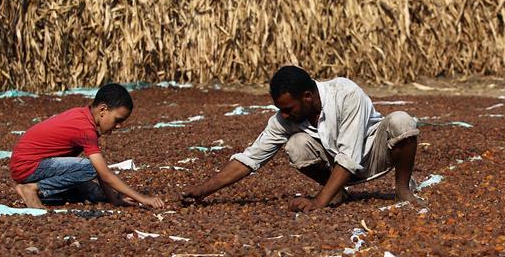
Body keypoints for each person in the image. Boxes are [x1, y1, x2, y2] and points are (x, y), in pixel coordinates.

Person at [181, 65, 422, 211]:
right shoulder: (284, 119)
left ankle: (402, 190)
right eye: (280, 109)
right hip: (337, 166)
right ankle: (336, 192)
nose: (284, 115)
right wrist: (204, 189)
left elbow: (349, 156)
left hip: (373, 155)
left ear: (307, 96)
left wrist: (318, 202)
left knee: (401, 121)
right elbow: (250, 159)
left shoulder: (346, 94)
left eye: (288, 108)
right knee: (296, 145)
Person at [10, 83, 164, 209]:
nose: (118, 126)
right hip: (28, 166)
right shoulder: (85, 129)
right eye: (117, 120)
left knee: (93, 192)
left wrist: (114, 200)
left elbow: (101, 172)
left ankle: (41, 191)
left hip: (30, 164)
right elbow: (103, 173)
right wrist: (142, 199)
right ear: (103, 110)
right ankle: (31, 188)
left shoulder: (82, 114)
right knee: (89, 168)